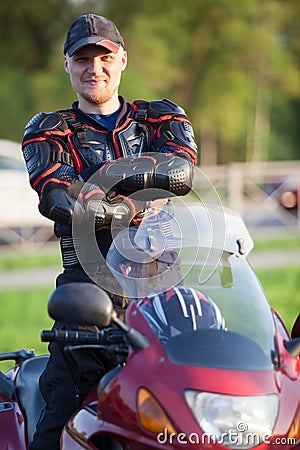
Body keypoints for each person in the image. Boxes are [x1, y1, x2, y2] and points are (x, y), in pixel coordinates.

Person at [21, 13, 198, 450]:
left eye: (103, 56)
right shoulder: (47, 130)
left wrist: (101, 194)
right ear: (67, 64)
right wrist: (140, 198)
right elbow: (61, 200)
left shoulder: (160, 117)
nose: (93, 68)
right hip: (86, 295)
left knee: (192, 408)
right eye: (82, 58)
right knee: (57, 421)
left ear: (121, 60)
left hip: (163, 291)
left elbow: (179, 173)